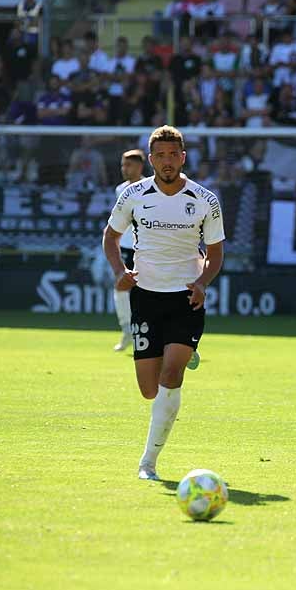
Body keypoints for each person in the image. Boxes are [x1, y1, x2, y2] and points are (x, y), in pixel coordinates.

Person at [102, 126, 225, 481]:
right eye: (161, 155)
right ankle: (183, 351)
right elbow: (111, 236)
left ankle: (148, 463)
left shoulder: (205, 200)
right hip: (146, 296)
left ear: (183, 157)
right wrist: (119, 271)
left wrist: (203, 282)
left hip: (186, 297)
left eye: (174, 155)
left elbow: (216, 252)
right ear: (151, 159)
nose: (167, 161)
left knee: (172, 376)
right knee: (149, 389)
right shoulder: (133, 196)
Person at [112, 149, 146, 352]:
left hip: (145, 248)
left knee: (146, 292)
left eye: (129, 165)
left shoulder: (150, 187)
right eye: (123, 165)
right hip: (125, 247)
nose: (125, 169)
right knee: (121, 287)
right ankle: (126, 330)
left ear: (140, 166)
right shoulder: (120, 190)